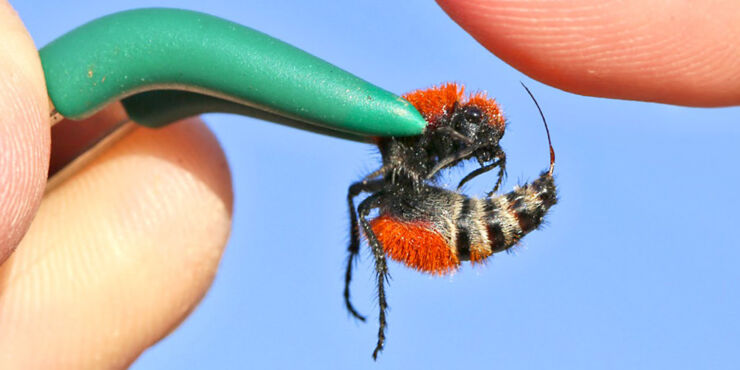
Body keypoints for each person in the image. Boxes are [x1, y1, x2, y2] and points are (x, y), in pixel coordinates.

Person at [0, 0, 736, 367]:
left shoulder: (424, 151)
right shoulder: (415, 137)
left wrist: (490, 171)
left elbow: (463, 152)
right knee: (366, 204)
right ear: (446, 122)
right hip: (415, 216)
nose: (479, 143)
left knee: (372, 203)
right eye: (473, 132)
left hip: (421, 215)